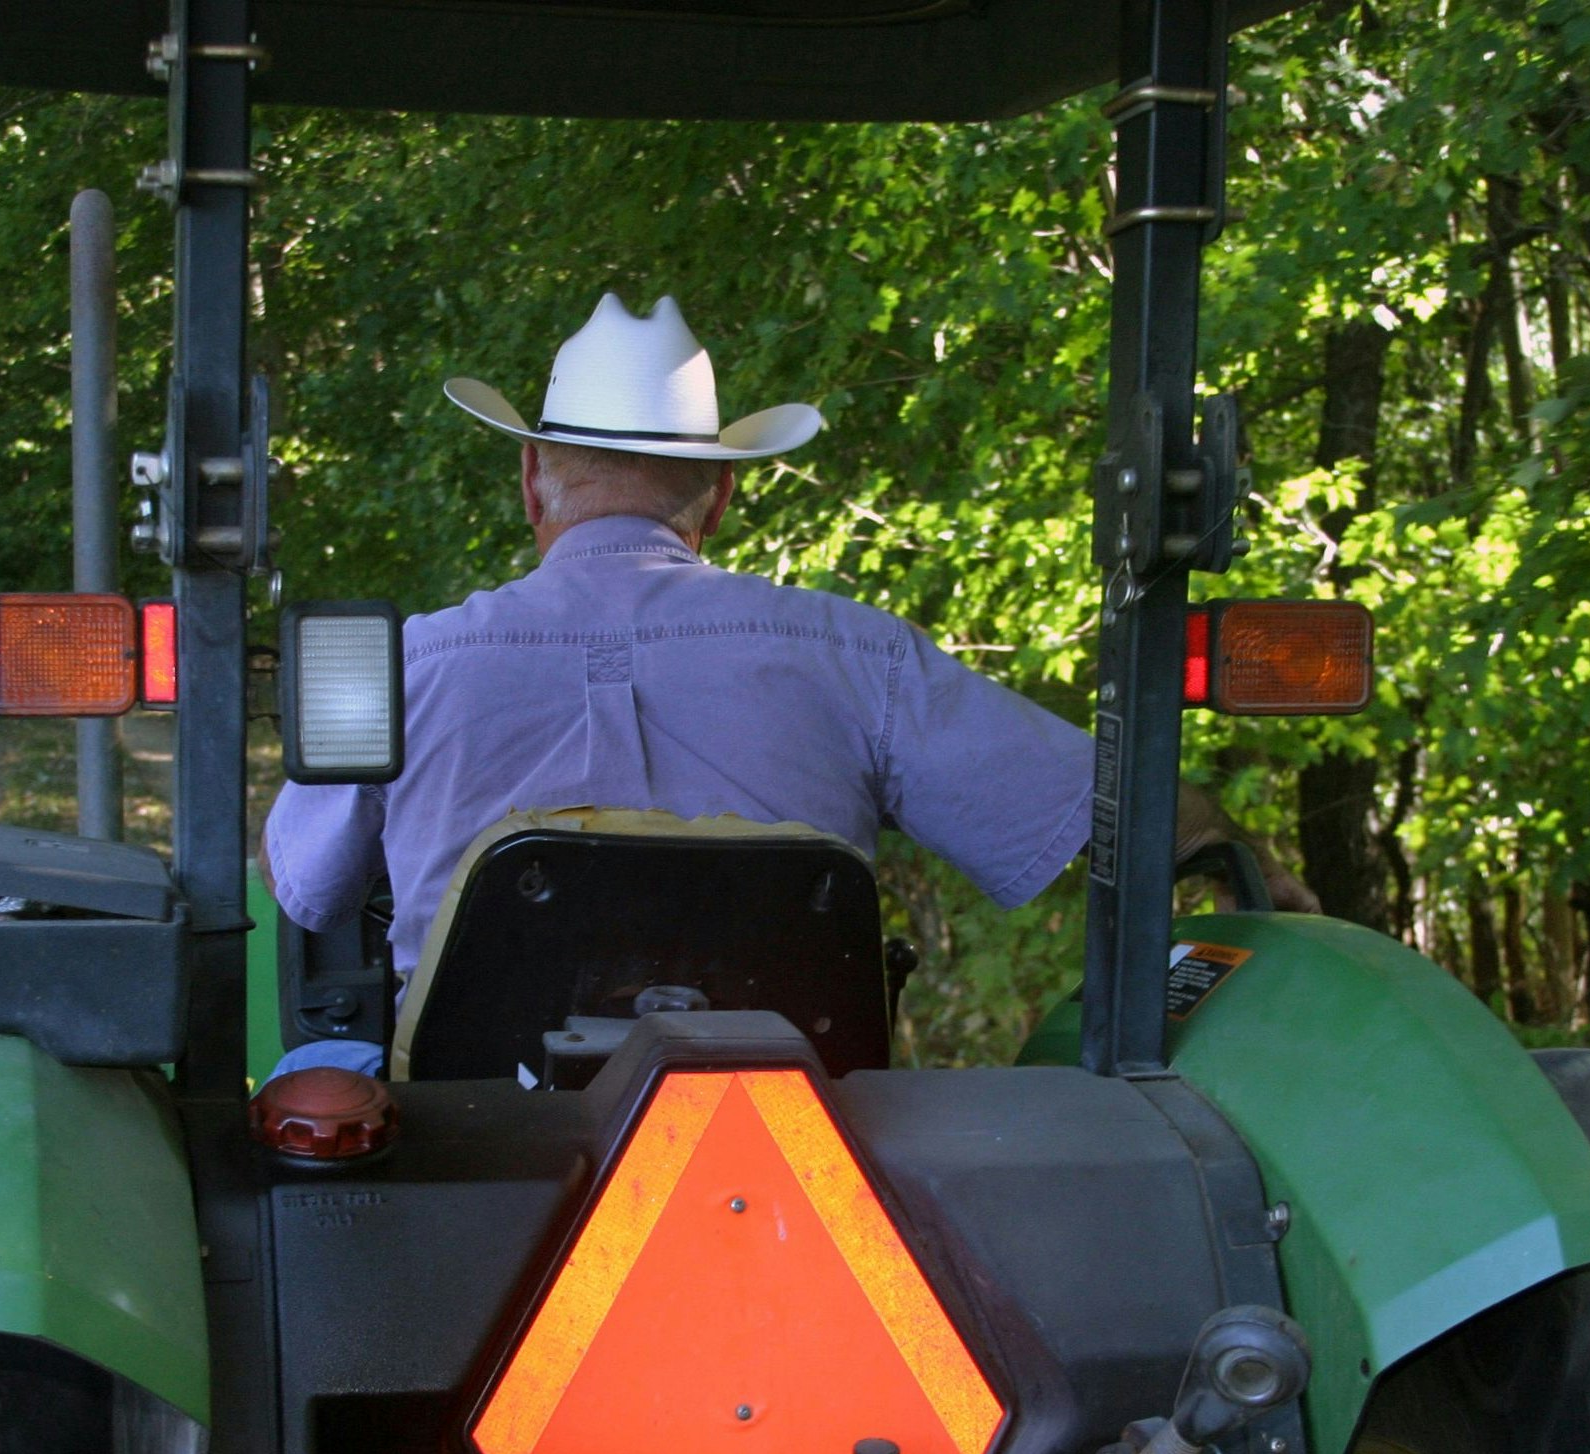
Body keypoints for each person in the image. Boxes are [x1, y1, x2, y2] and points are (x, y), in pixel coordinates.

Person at [265, 293, 1312, 1072]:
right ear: (719, 494)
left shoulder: (409, 666)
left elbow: (308, 891)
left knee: (317, 1086)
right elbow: (1112, 818)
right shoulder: (854, 657)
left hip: (479, 1131)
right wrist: (1242, 868)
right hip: (797, 1126)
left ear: (532, 480)